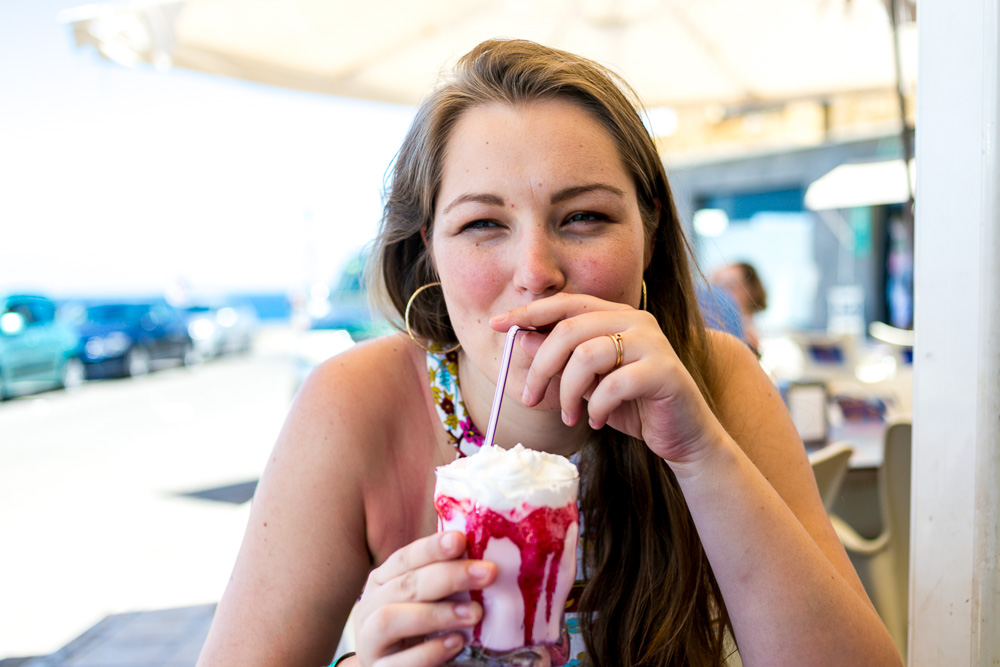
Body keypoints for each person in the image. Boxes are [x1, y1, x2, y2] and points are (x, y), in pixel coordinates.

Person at [197, 39, 901, 667]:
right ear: (429, 253)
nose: (536, 270)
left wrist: (700, 453)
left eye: (585, 216)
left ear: (649, 234)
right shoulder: (354, 406)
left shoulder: (714, 380)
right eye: (482, 223)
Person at [711, 262, 768, 355]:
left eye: (729, 286)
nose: (719, 294)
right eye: (715, 287)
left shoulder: (752, 342)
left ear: (751, 292)